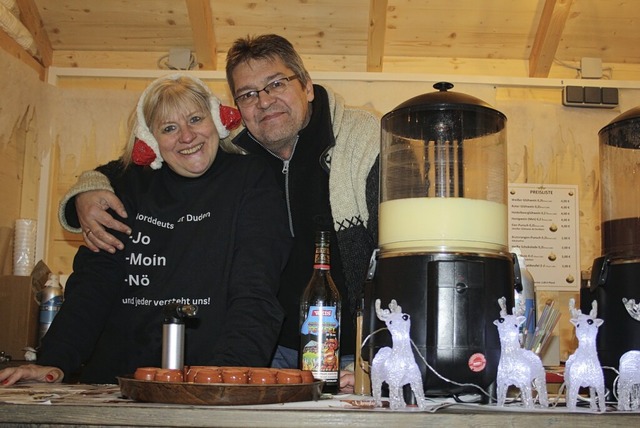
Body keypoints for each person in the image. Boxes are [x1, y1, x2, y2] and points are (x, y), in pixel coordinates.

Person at [56, 34, 380, 392]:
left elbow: (398, 254)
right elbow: (120, 182)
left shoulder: (358, 139)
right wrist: (86, 189)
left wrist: (377, 355)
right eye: (248, 94)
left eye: (276, 84)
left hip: (349, 349)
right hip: (270, 353)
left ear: (307, 87)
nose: (265, 101)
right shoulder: (233, 157)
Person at [0, 74, 291, 386]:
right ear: (150, 139)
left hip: (209, 377)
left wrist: (228, 375)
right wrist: (54, 361)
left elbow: (255, 290)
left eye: (195, 119)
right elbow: (93, 286)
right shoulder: (125, 187)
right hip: (117, 382)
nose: (187, 136)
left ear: (216, 122)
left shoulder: (250, 180)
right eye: (169, 128)